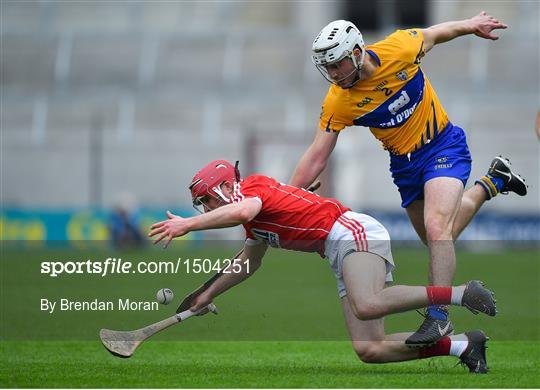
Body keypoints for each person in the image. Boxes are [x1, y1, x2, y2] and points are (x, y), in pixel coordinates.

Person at [288, 12, 527, 346]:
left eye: (337, 64)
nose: (333, 74)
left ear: (357, 52)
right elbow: (317, 154)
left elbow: (435, 33)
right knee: (439, 238)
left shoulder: (399, 48)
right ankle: (493, 181)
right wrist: (287, 194)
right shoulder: (339, 101)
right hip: (404, 166)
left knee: (436, 227)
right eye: (327, 68)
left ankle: (439, 317)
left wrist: (470, 25)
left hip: (444, 146)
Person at [148, 159, 497, 373]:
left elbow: (242, 211)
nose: (205, 209)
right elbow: (247, 263)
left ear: (225, 186)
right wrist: (204, 295)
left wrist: (186, 225)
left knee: (367, 303)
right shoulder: (253, 222)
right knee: (369, 349)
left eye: (206, 199)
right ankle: (464, 345)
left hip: (350, 230)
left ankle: (460, 293)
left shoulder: (251, 189)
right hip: (336, 249)